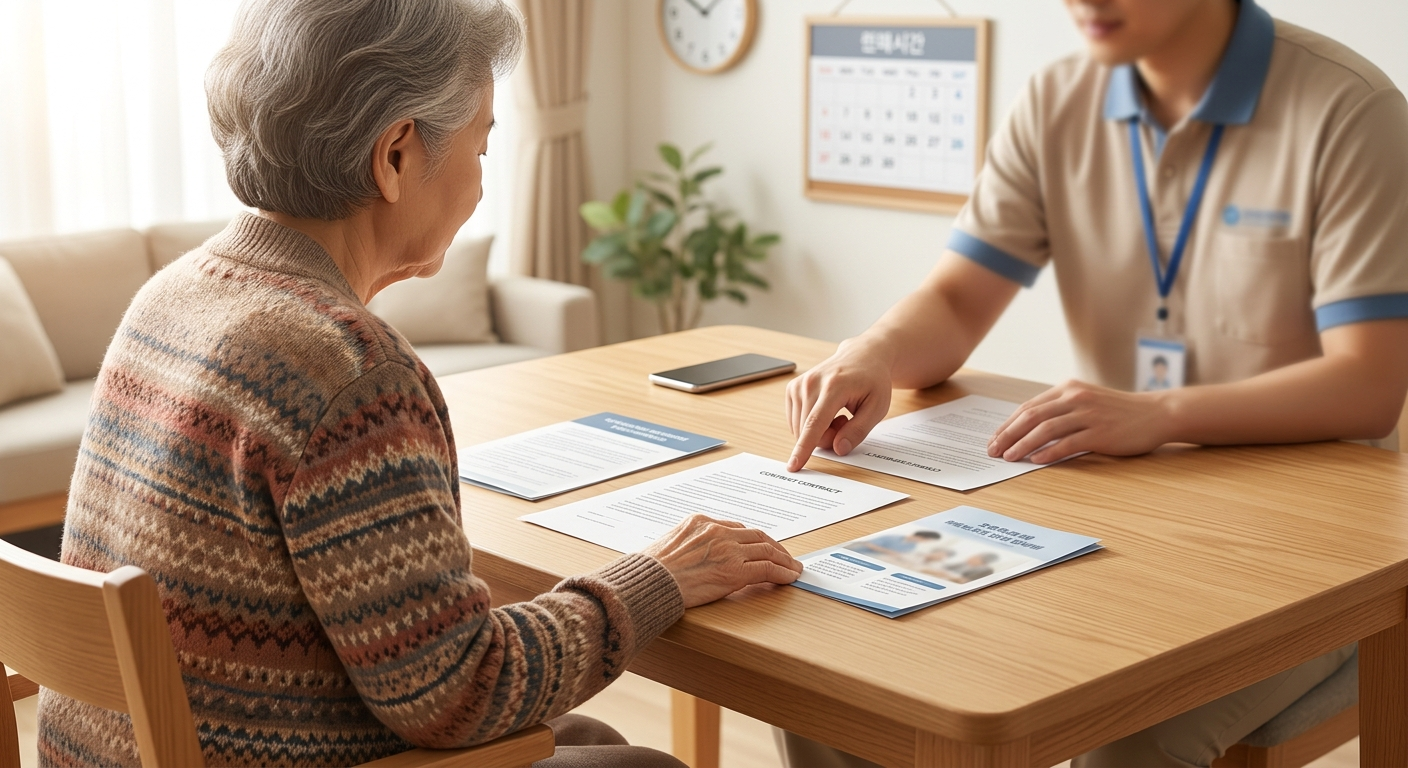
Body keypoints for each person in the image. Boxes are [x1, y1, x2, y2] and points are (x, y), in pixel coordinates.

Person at [36, 2, 802, 766]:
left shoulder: (173, 293)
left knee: (590, 745)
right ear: (396, 155)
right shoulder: (347, 368)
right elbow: (461, 693)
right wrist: (660, 576)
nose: (477, 184)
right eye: (481, 146)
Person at [778, 0, 1405, 765]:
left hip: (1311, 546)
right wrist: (872, 349)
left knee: (1122, 737)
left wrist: (1162, 413)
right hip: (1104, 512)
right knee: (834, 675)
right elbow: (955, 301)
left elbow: (1370, 384)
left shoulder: (1349, 108)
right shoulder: (1056, 100)